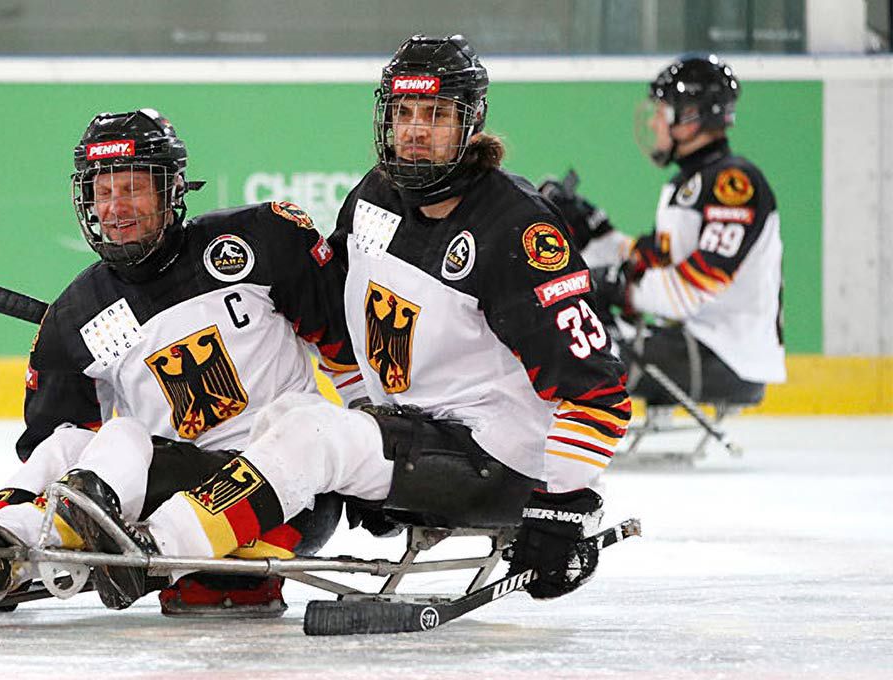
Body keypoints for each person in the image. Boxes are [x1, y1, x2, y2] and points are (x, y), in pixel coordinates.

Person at [53, 34, 631, 610]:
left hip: (498, 458)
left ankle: (156, 552)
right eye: (403, 113)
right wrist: (369, 426)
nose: (415, 130)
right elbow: (346, 330)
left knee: (313, 436)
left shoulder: (517, 233)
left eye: (435, 115)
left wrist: (561, 502)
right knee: (287, 417)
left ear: (471, 123)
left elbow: (599, 393)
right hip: (422, 435)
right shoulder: (374, 197)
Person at [0, 108, 362, 616]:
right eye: (103, 192)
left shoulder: (257, 241)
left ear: (172, 190)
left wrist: (371, 446)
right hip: (175, 490)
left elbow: (346, 346)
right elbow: (53, 441)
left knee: (122, 438)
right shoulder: (78, 314)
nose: (115, 207)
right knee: (74, 442)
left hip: (286, 492)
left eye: (132, 188)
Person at [540, 54, 785, 407]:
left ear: (689, 117)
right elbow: (653, 259)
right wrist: (595, 232)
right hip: (699, 343)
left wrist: (618, 288)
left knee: (572, 340)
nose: (655, 122)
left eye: (661, 111)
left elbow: (688, 289)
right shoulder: (689, 184)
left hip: (729, 356)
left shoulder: (734, 185)